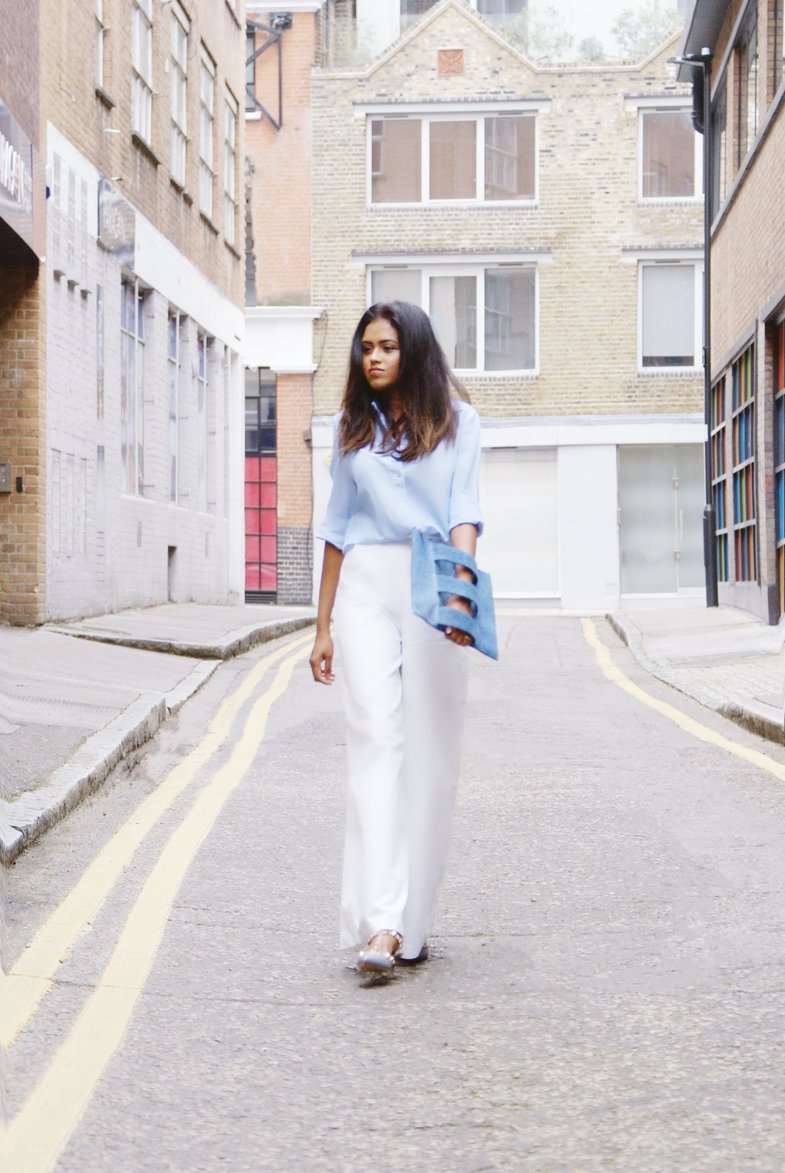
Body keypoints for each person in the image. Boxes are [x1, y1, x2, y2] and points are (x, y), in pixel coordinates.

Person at [309, 300, 483, 982]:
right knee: (375, 740)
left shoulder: (459, 422)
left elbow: (465, 510)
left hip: (434, 575)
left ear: (411, 350)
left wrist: (460, 596)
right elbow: (335, 524)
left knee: (432, 753)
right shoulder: (348, 428)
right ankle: (380, 919)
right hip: (363, 585)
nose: (372, 357)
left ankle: (413, 919)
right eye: (365, 348)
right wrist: (320, 624)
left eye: (385, 346)